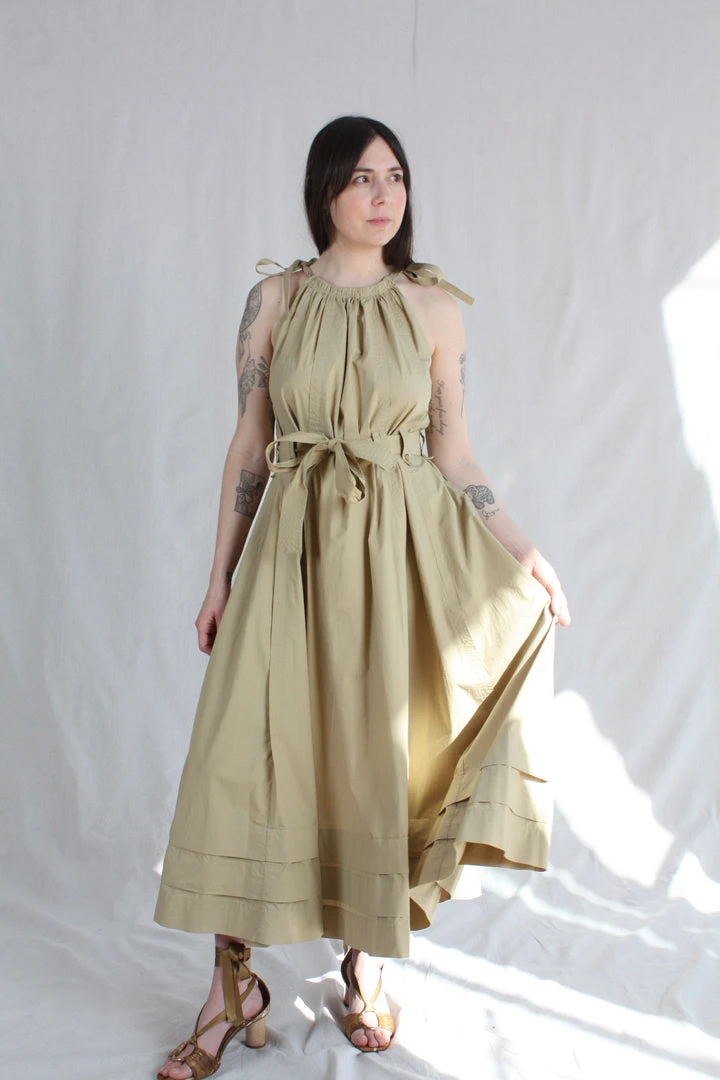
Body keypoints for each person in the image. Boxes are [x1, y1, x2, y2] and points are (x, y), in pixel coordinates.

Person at [154, 115, 571, 1079]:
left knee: (371, 753)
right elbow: (250, 444)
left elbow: (453, 451)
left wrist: (522, 550)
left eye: (396, 177)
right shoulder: (275, 299)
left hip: (396, 558)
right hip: (290, 555)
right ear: (325, 192)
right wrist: (218, 576)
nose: (384, 195)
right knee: (241, 754)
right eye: (362, 178)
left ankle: (362, 959)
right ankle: (231, 986)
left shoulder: (433, 308)